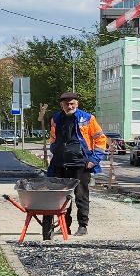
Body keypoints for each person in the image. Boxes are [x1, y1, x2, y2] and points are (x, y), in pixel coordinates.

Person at [42, 93, 107, 238]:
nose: (69, 106)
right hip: (60, 163)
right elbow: (53, 138)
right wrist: (54, 152)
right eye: (66, 104)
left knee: (81, 195)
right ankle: (65, 226)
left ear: (76, 104)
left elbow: (100, 138)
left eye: (72, 103)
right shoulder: (56, 119)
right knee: (62, 197)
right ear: (62, 105)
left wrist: (94, 159)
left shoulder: (87, 118)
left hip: (80, 164)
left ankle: (83, 226)